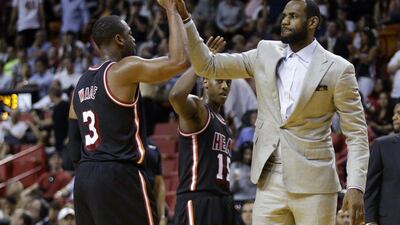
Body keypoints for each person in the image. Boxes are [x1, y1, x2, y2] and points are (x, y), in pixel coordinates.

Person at [175, 0, 369, 224]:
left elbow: (357, 134)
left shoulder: (338, 68)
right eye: (284, 15)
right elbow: (207, 66)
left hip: (314, 183)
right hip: (269, 181)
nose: (285, 21)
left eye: (293, 16)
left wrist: (355, 186)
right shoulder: (265, 52)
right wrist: (186, 19)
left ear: (313, 22)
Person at [67, 0, 189, 224]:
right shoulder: (123, 69)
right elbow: (179, 61)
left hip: (85, 179)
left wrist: (92, 171)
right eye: (130, 33)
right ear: (119, 39)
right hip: (119, 174)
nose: (133, 39)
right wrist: (172, 10)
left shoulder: (81, 84)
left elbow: (73, 145)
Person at [169, 37, 236, 225]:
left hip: (222, 200)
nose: (225, 86)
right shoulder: (198, 109)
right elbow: (175, 96)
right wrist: (200, 65)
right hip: (197, 199)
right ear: (205, 82)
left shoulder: (224, 122)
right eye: (220, 81)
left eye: (228, 83)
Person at [364, 103, 400, 225]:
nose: (394, 117)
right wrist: (370, 221)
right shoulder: (382, 145)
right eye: (395, 113)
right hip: (391, 219)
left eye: (399, 113)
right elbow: (371, 188)